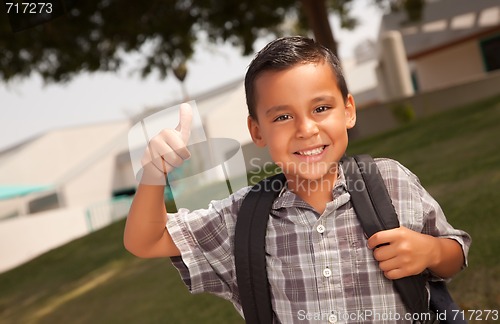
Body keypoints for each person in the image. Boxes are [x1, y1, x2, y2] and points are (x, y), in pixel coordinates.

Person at [124, 36, 471, 323]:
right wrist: (154, 173)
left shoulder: (390, 181)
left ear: (348, 110)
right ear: (257, 131)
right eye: (284, 116)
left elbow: (454, 253)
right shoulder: (243, 218)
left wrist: (430, 250)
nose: (306, 129)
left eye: (321, 108)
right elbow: (147, 240)